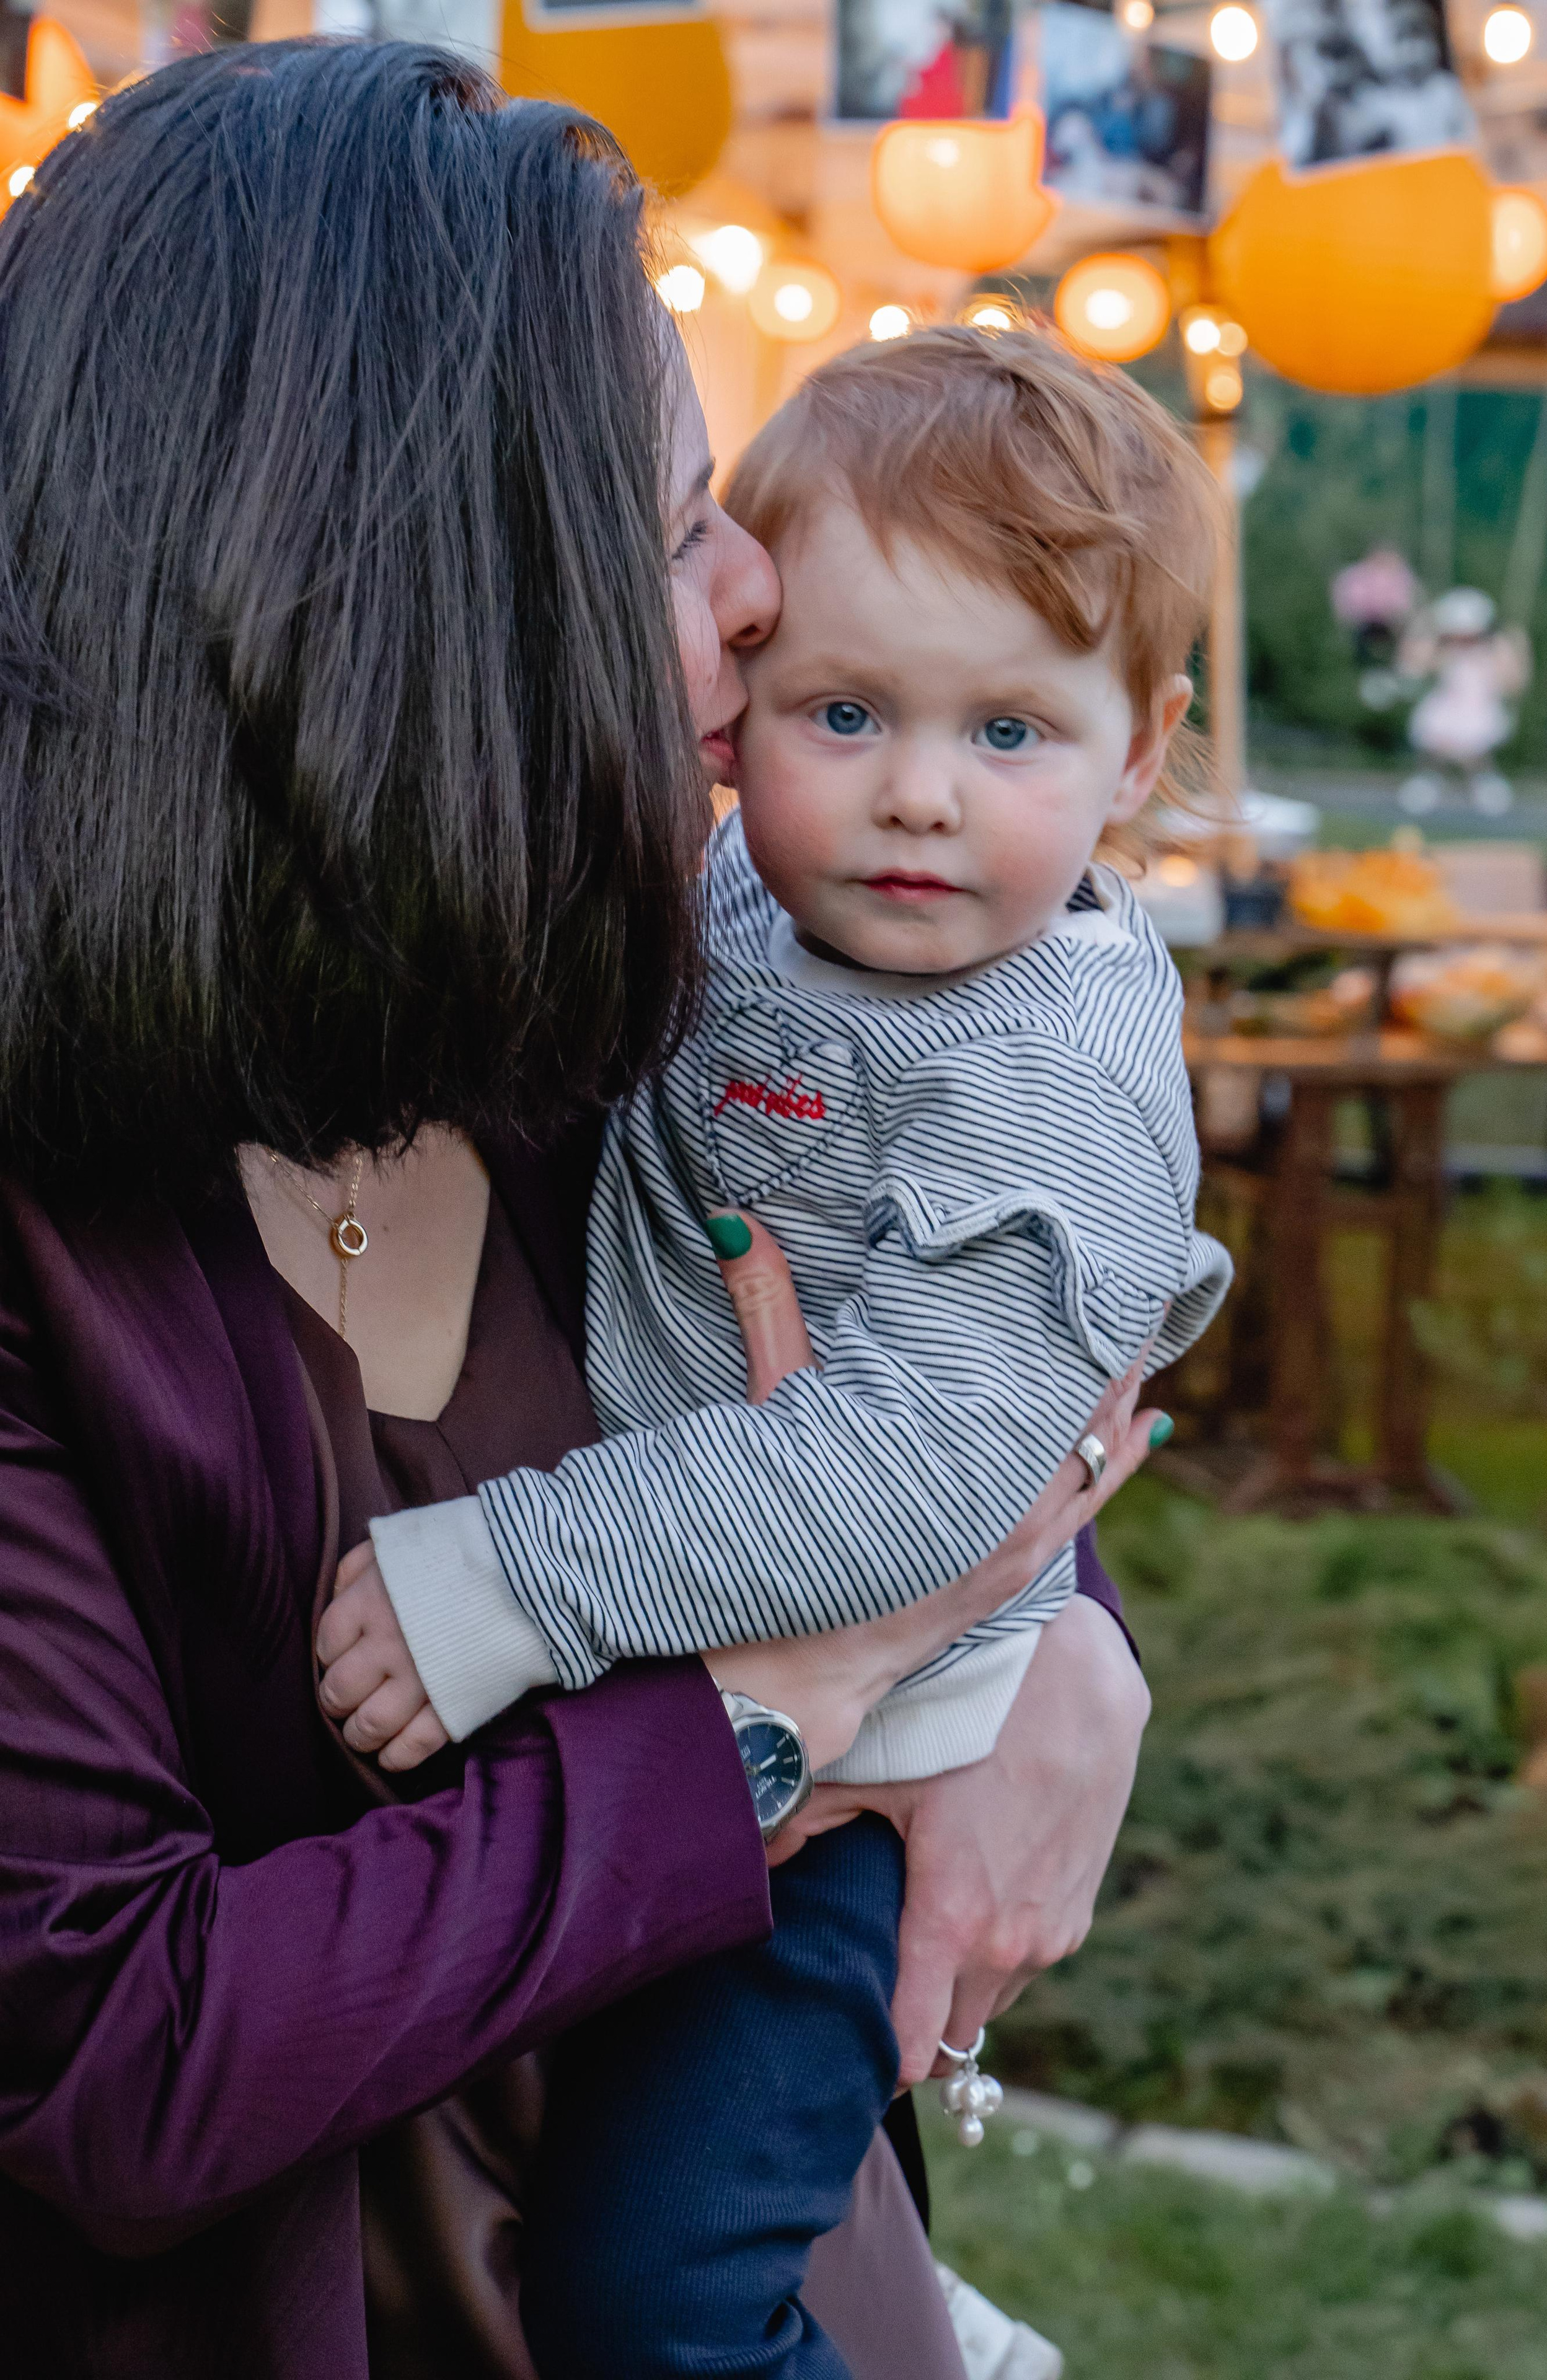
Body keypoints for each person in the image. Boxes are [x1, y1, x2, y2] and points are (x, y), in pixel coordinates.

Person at [0, 44, 1155, 2380]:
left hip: (763, 2293)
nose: (754, 593)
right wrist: (769, 1715)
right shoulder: (50, 1259)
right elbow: (118, 2049)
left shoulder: (579, 1027)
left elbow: (952, 1351)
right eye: (675, 520)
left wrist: (1075, 1650)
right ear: (415, 611)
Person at [327, 329, 1223, 2378]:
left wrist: (511, 1575)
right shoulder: (748, 893)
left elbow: (919, 1467)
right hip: (689, 1714)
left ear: (1139, 751)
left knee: (658, 2299)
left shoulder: (1046, 1068)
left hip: (868, 1767)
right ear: (737, 721)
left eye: (1011, 730)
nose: (917, 793)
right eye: (846, 711)